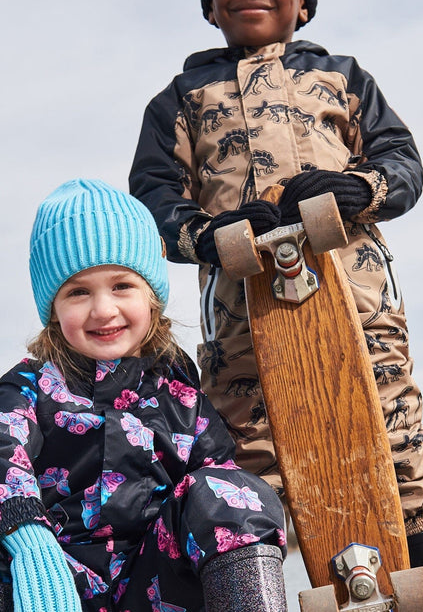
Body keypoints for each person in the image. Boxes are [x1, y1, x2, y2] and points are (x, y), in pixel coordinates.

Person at [129, 0, 423, 610]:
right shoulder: (181, 100)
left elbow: (404, 164)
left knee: (401, 456)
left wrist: (358, 188)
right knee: (245, 483)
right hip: (243, 337)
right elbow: (153, 200)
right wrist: (209, 234)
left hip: (361, 316)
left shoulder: (342, 77)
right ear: (209, 1)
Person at [0, 179, 288, 612]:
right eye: (78, 292)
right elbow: (5, 452)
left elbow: (215, 482)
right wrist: (28, 539)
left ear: (151, 296)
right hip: (50, 586)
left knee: (232, 492)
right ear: (53, 311)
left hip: (154, 587)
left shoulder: (180, 394)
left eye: (121, 286)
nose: (103, 310)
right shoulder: (28, 387)